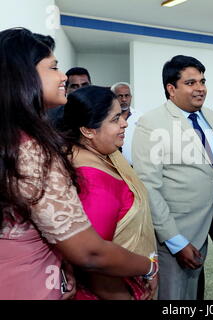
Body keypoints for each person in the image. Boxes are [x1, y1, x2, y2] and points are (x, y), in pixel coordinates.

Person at [0, 27, 154, 300]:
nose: (63, 77)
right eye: (53, 68)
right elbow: (90, 252)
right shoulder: (29, 149)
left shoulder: (13, 138)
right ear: (24, 76)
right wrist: (148, 267)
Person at [132, 55, 213, 300]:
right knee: (173, 296)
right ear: (171, 89)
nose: (200, 88)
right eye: (191, 83)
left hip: (204, 227)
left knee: (192, 294)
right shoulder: (152, 123)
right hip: (172, 234)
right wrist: (175, 241)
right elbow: (149, 187)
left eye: (202, 81)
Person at [60, 85, 157, 300]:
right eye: (115, 119)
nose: (124, 123)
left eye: (121, 116)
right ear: (87, 130)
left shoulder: (103, 155)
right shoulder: (92, 182)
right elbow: (95, 262)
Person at [111, 82, 135, 164]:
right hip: (114, 165)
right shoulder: (106, 118)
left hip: (136, 168)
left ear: (131, 97)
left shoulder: (141, 117)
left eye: (127, 96)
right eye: (120, 96)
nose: (124, 99)